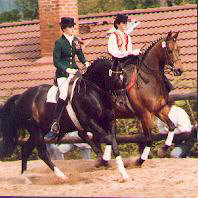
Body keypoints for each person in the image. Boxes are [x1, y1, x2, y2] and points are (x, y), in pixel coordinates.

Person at [44, 17, 90, 141]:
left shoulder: (75, 41)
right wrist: (66, 69)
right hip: (63, 74)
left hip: (75, 72)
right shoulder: (59, 43)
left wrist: (86, 62)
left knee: (86, 89)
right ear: (64, 29)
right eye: (70, 27)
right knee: (64, 94)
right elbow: (56, 61)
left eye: (73, 26)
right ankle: (55, 124)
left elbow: (80, 55)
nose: (72, 29)